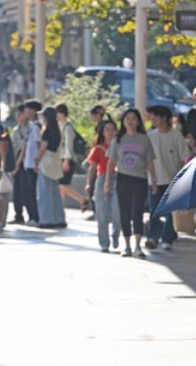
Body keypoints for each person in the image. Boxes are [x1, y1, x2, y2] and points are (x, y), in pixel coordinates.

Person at [105, 109, 158, 258]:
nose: (130, 121)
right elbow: (111, 162)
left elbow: (149, 162)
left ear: (138, 121)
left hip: (139, 179)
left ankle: (137, 246)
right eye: (127, 118)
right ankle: (127, 245)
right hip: (123, 178)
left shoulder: (144, 139)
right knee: (125, 211)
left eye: (133, 118)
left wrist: (153, 180)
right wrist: (107, 182)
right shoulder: (118, 139)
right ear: (123, 121)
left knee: (137, 211)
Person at [145, 106, 189, 250]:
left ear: (164, 118)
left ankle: (167, 239)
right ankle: (152, 237)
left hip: (173, 180)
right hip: (154, 180)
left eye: (155, 116)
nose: (153, 119)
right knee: (154, 211)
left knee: (171, 214)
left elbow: (185, 158)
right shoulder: (151, 136)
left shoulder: (176, 136)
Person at [86, 120, 121, 252]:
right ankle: (104, 243)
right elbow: (93, 168)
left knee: (118, 213)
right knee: (102, 214)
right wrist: (89, 184)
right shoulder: (98, 149)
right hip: (101, 180)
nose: (110, 132)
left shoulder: (120, 147)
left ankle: (116, 235)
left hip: (118, 180)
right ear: (103, 132)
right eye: (107, 129)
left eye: (112, 129)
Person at [35, 107, 67, 228]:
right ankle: (59, 218)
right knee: (55, 192)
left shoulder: (46, 131)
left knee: (44, 193)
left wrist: (36, 160)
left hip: (46, 163)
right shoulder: (57, 130)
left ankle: (46, 220)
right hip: (55, 162)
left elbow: (43, 148)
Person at [56, 104, 86, 210]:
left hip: (67, 159)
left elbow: (69, 145)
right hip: (61, 158)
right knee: (61, 185)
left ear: (62, 114)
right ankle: (60, 208)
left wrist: (67, 160)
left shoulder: (68, 127)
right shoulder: (60, 126)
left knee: (62, 184)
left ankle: (82, 199)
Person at [19, 99, 42, 227]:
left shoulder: (37, 126)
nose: (25, 112)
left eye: (28, 109)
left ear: (34, 111)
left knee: (32, 191)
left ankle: (35, 216)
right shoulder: (31, 126)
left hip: (33, 164)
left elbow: (39, 144)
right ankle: (31, 216)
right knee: (27, 191)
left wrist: (37, 163)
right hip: (28, 163)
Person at [10, 104, 29, 224]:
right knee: (16, 190)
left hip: (25, 162)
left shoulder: (29, 128)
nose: (18, 116)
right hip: (16, 160)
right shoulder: (16, 129)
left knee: (26, 189)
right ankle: (18, 215)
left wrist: (18, 163)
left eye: (20, 113)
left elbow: (25, 147)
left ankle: (32, 215)